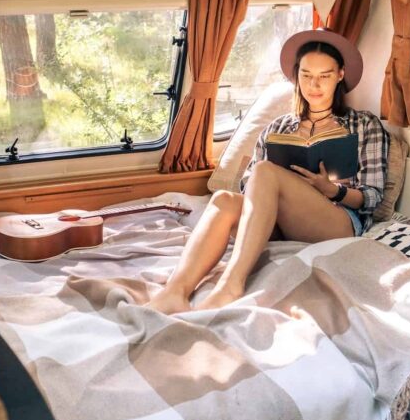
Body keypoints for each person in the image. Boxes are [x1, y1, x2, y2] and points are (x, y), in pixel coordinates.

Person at [146, 29, 390, 315]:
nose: (314, 84)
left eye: (324, 75)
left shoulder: (363, 125)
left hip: (337, 220)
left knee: (266, 171)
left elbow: (373, 197)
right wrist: (284, 185)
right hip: (279, 220)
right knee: (224, 199)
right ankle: (175, 291)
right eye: (306, 74)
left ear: (340, 75)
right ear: (296, 76)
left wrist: (331, 189)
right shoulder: (279, 128)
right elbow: (249, 187)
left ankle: (231, 285)